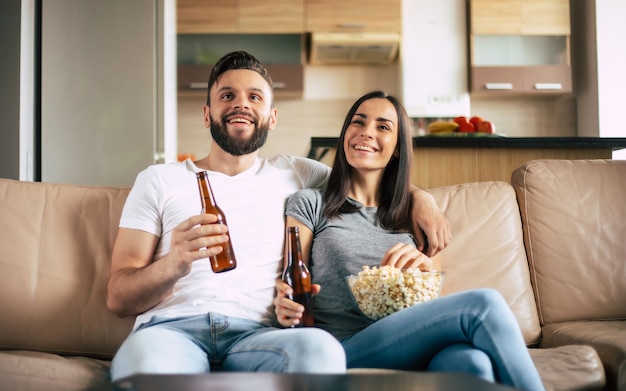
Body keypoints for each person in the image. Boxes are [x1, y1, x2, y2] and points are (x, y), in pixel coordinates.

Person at [106, 51, 451, 382]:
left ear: (272, 117)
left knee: (321, 351)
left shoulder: (296, 173)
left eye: (255, 97)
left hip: (259, 337)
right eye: (227, 95)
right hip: (172, 331)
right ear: (207, 112)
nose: (241, 103)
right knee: (145, 371)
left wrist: (421, 198)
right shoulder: (159, 179)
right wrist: (173, 264)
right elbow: (118, 298)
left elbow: (366, 174)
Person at [274, 91, 546, 391]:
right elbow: (291, 277)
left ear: (398, 149)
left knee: (471, 363)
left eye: (383, 126)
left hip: (409, 337)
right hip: (342, 344)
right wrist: (286, 303)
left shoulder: (416, 216)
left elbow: (434, 298)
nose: (366, 132)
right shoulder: (310, 203)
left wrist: (426, 268)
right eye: (358, 122)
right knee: (484, 303)